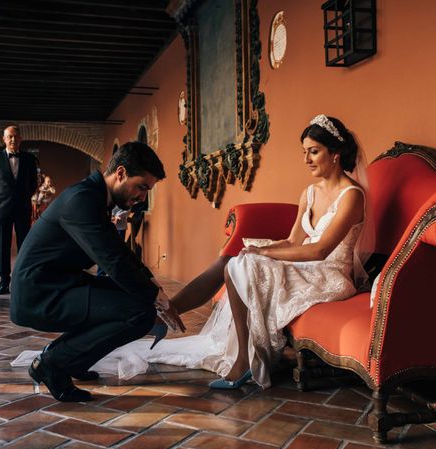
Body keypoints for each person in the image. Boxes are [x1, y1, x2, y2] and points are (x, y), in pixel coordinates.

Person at [93, 115, 372, 389]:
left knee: (243, 265)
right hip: (307, 263)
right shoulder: (309, 193)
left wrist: (266, 255)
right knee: (240, 260)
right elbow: (291, 241)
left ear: (335, 154)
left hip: (328, 274)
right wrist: (259, 249)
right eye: (304, 152)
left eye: (314, 152)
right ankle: (232, 349)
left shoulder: (352, 195)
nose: (306, 160)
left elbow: (321, 250)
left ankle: (242, 359)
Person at [10, 141, 184, 402]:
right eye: (142, 187)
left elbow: (120, 251)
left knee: (137, 304)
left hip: (61, 284)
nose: (142, 197)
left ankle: (74, 361)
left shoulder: (94, 196)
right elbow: (112, 261)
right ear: (121, 173)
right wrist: (157, 298)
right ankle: (53, 363)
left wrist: (152, 285)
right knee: (138, 312)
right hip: (41, 293)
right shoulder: (81, 200)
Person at [0, 125, 39, 295]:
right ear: (4, 139)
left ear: (20, 138)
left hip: (23, 206)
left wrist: (22, 196)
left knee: (24, 243)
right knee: (3, 243)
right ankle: (4, 281)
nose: (13, 140)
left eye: (16, 136)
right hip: (2, 207)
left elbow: (33, 184)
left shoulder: (30, 159)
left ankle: (23, 279)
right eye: (9, 137)